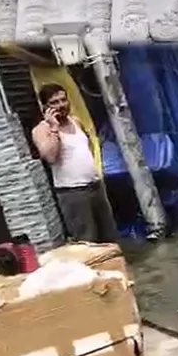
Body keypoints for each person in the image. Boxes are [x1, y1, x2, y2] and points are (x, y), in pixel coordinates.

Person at [32, 83, 119, 244]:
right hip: (73, 192)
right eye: (55, 102)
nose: (61, 105)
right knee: (87, 241)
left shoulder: (76, 121)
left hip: (95, 186)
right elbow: (51, 157)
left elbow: (89, 146)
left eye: (63, 100)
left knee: (110, 238)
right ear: (46, 107)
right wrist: (54, 128)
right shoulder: (41, 130)